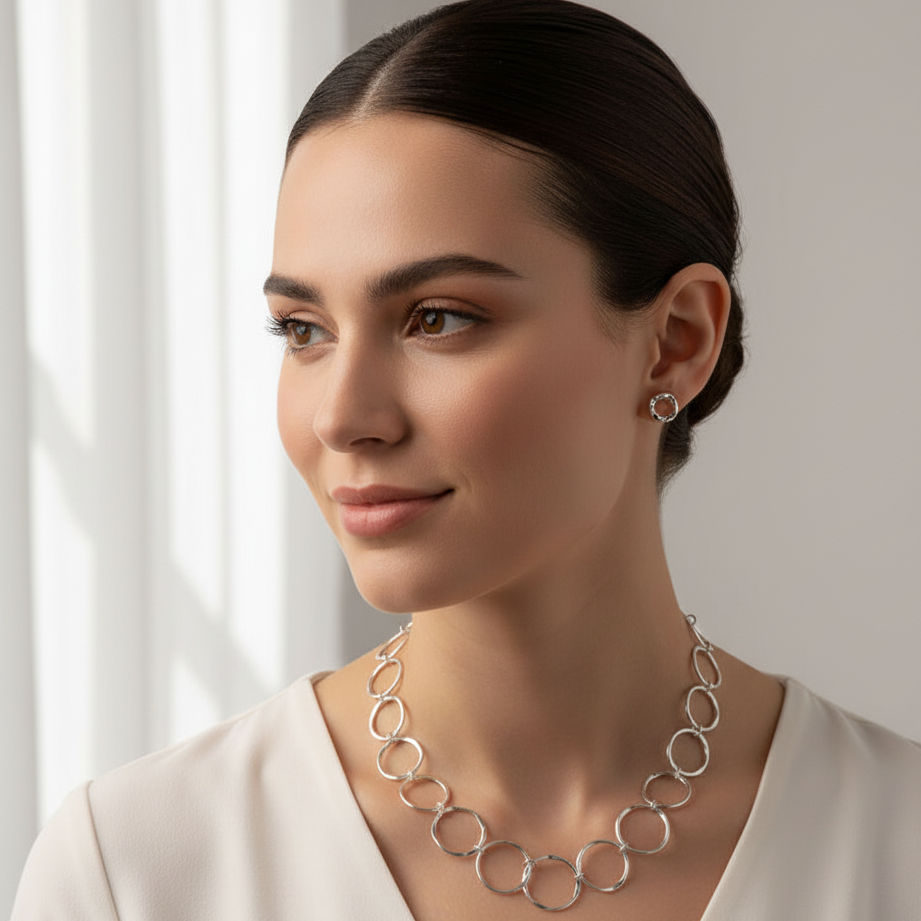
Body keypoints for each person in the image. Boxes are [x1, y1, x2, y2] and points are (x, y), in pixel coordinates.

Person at [12, 1, 921, 918]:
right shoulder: (134, 866)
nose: (342, 416)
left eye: (437, 317)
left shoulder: (895, 841)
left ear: (675, 342)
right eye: (303, 330)